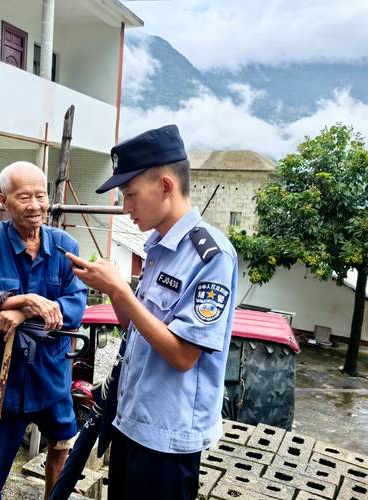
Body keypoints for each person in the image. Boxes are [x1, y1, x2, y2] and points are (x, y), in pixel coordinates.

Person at [65, 125, 237, 500]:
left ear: (165, 185)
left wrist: (119, 289)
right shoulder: (157, 246)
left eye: (130, 195)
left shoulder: (211, 256)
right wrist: (111, 289)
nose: (125, 209)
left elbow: (182, 355)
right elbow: (134, 329)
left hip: (168, 439)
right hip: (132, 421)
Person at [0, 161, 88, 500]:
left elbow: (75, 305)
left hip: (49, 375)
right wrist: (24, 300)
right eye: (23, 197)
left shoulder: (63, 246)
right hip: (1, 378)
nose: (35, 206)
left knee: (63, 444)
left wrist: (23, 315)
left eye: (40, 196)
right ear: (4, 201)